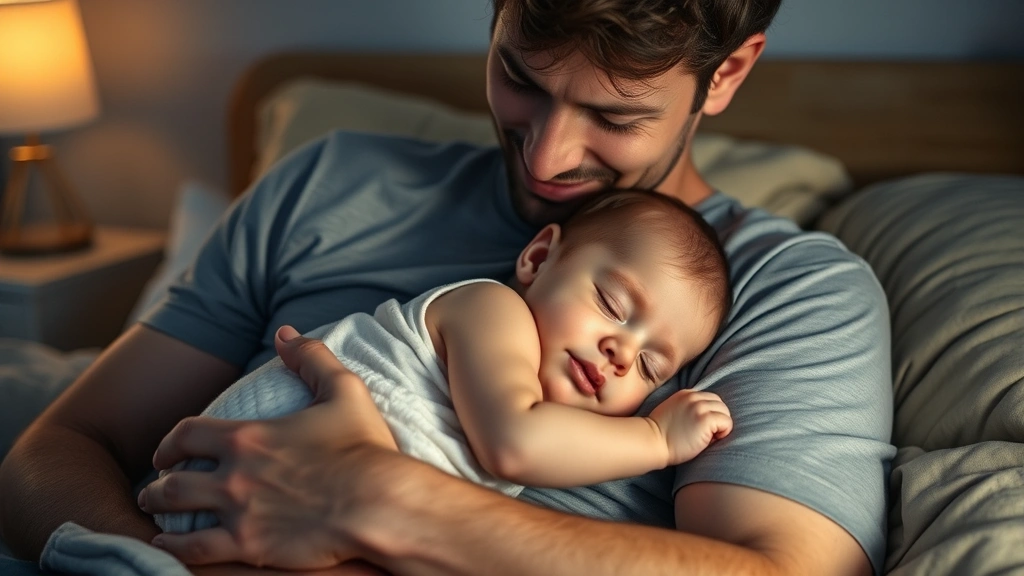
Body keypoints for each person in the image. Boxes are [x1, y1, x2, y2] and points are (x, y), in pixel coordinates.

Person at [0, 1, 896, 575]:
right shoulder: (332, 181)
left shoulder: (787, 293)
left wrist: (372, 496)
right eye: (520, 78)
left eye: (613, 116)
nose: (545, 156)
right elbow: (57, 447)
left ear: (727, 73)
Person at [156, 188, 734, 535]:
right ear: (537, 258)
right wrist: (656, 438)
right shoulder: (493, 307)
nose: (622, 352)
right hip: (251, 458)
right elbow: (516, 445)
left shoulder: (550, 409)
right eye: (611, 304)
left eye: (650, 369)